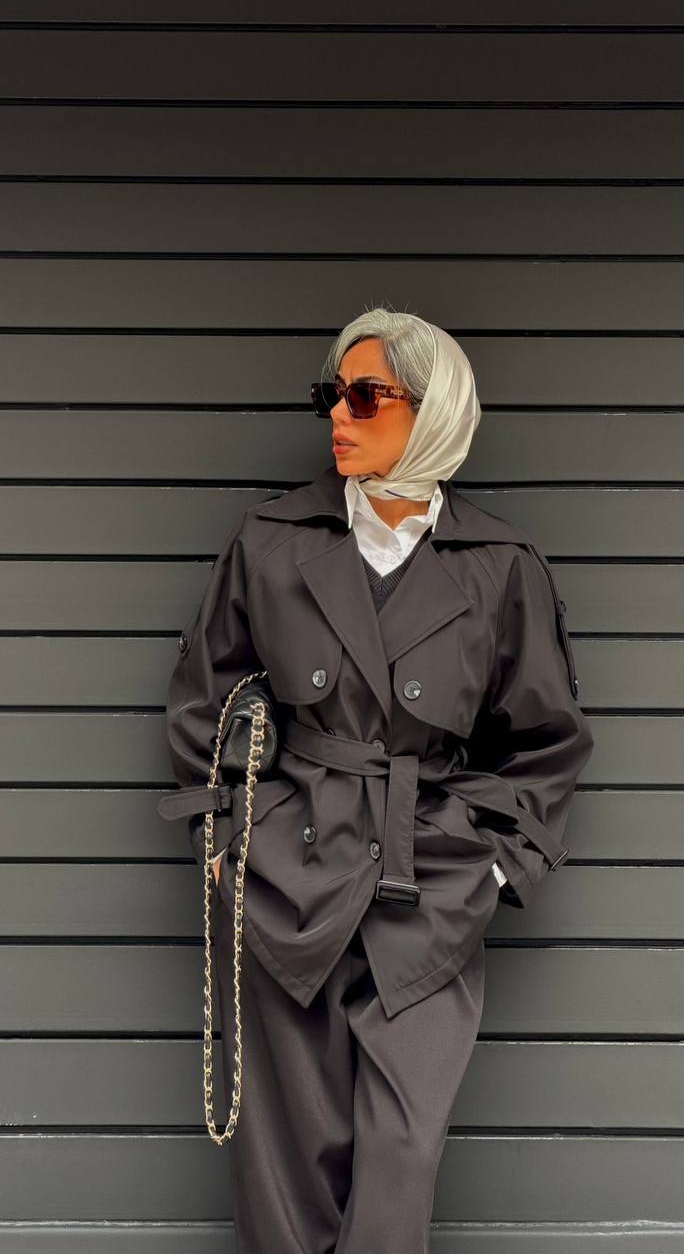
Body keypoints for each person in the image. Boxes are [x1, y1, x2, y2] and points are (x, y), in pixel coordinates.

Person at [159, 306, 594, 1253]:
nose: (338, 416)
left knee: (403, 1152)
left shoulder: (500, 566)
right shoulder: (272, 541)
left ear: (432, 410)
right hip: (289, 876)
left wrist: (488, 869)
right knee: (285, 1162)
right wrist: (228, 844)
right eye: (331, 394)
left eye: (366, 396)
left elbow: (545, 742)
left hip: (429, 879)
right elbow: (204, 705)